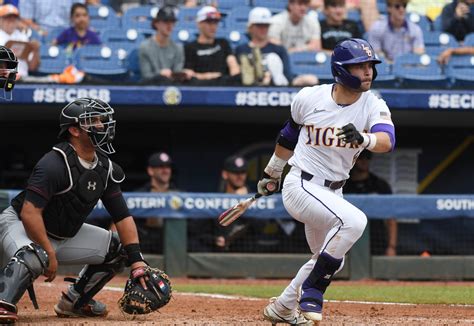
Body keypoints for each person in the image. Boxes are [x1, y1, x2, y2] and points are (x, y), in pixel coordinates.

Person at [259, 38, 395, 324]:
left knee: (331, 255)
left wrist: (365, 138)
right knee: (354, 222)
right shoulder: (310, 97)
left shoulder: (373, 104)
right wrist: (273, 171)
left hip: (333, 192)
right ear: (341, 70)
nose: (368, 71)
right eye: (359, 66)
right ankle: (313, 291)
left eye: (370, 65)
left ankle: (282, 307)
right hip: (301, 185)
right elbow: (288, 136)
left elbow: (386, 140)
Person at [0, 98, 153, 323]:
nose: (101, 125)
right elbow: (30, 213)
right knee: (36, 255)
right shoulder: (54, 163)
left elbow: (122, 216)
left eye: (101, 120)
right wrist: (49, 253)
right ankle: (4, 303)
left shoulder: (105, 167)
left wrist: (137, 261)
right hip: (20, 225)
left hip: (63, 234)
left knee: (119, 250)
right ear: (74, 130)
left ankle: (75, 301)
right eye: (93, 121)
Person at [235, 7, 318, 87]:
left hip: (275, 88)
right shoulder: (241, 49)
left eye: (266, 25)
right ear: (251, 27)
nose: (263, 29)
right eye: (259, 25)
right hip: (248, 88)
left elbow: (287, 75)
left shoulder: (278, 49)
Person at [343, 150, 398, 256]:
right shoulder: (344, 185)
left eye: (367, 158)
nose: (364, 161)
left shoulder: (380, 185)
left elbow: (391, 219)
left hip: (377, 241)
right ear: (353, 160)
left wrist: (392, 246)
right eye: (360, 158)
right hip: (349, 242)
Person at [183, 6, 241, 86]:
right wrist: (209, 76)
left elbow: (233, 65)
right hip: (199, 87)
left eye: (216, 22)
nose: (213, 26)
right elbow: (188, 74)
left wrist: (235, 77)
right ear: (199, 24)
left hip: (222, 86)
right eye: (209, 22)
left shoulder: (223, 43)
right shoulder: (190, 47)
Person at [134, 151, 176, 253]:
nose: (165, 170)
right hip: (144, 246)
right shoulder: (138, 195)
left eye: (168, 167)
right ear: (150, 171)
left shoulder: (179, 195)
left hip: (171, 246)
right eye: (161, 167)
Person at [139, 5, 185, 85]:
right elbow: (146, 75)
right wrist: (160, 74)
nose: (170, 25)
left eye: (172, 22)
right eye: (166, 21)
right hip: (152, 86)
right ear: (156, 24)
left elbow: (177, 73)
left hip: (172, 86)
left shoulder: (178, 48)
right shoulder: (145, 47)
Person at [0, 4, 40, 79]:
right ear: (0, 19)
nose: (11, 21)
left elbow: (33, 67)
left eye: (14, 18)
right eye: (7, 18)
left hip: (22, 78)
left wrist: (36, 51)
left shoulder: (23, 37)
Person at [20, 0, 86, 33]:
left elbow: (80, 14)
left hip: (68, 32)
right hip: (41, 33)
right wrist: (40, 32)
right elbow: (26, 19)